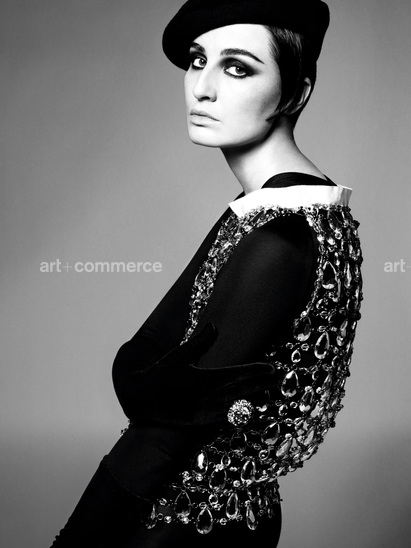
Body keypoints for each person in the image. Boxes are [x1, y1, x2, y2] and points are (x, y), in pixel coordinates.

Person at [51, 0, 363, 546]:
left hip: (186, 523)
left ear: (296, 93)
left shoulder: (279, 236)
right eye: (199, 61)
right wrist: (148, 386)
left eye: (237, 67)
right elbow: (151, 373)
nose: (202, 88)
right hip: (223, 513)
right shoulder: (285, 208)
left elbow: (161, 436)